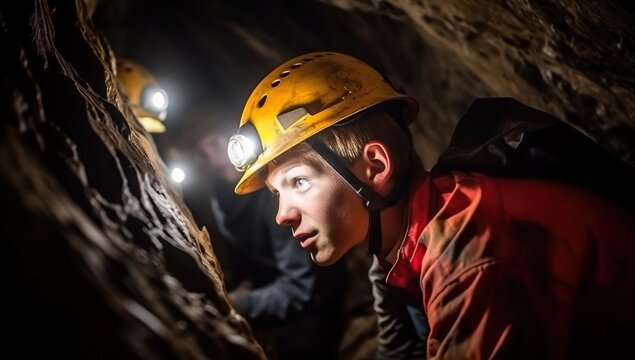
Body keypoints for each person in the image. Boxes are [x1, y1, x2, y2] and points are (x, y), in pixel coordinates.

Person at [226, 51, 635, 359]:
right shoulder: (399, 250)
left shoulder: (468, 252)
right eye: (277, 193)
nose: (283, 214)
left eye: (298, 181)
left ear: (375, 166)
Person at [183, 104, 348, 360]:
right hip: (273, 291)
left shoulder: (273, 195)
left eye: (215, 144)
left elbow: (299, 288)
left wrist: (236, 303)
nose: (213, 161)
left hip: (315, 300)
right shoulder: (221, 194)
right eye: (202, 154)